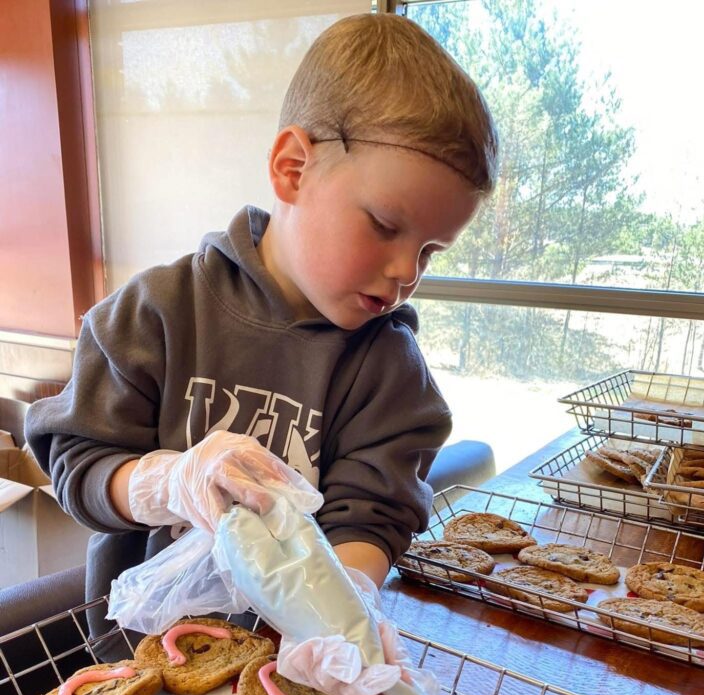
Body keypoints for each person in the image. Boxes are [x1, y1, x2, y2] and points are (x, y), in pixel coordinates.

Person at [25, 14, 497, 658]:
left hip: (297, 670)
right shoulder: (154, 314)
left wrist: (342, 621)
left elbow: (371, 518)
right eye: (386, 225)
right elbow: (78, 467)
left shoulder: (389, 368)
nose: (406, 273)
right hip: (141, 665)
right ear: (293, 168)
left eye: (431, 251)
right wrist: (167, 481)